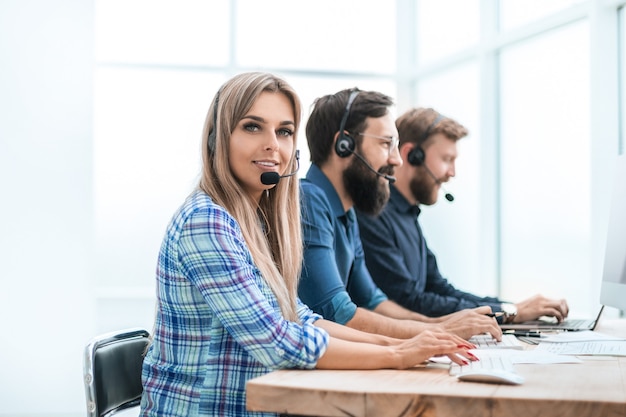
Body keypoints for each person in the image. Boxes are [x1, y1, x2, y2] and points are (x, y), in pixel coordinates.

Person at [139, 74, 478, 417]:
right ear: (216, 139)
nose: (273, 144)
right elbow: (277, 342)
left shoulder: (251, 222)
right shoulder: (207, 221)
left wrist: (407, 344)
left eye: (284, 131)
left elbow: (298, 315)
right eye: (252, 127)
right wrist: (398, 354)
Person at [298, 88, 502, 341]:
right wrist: (439, 330)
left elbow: (374, 302)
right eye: (386, 144)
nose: (397, 160)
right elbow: (337, 312)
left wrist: (439, 323)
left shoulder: (347, 212)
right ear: (344, 145)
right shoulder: (309, 199)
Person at [356, 107, 570, 324]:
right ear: (412, 155)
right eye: (447, 159)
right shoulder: (373, 214)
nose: (452, 173)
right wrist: (508, 312)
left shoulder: (407, 214)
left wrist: (509, 308)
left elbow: (438, 288)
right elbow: (407, 301)